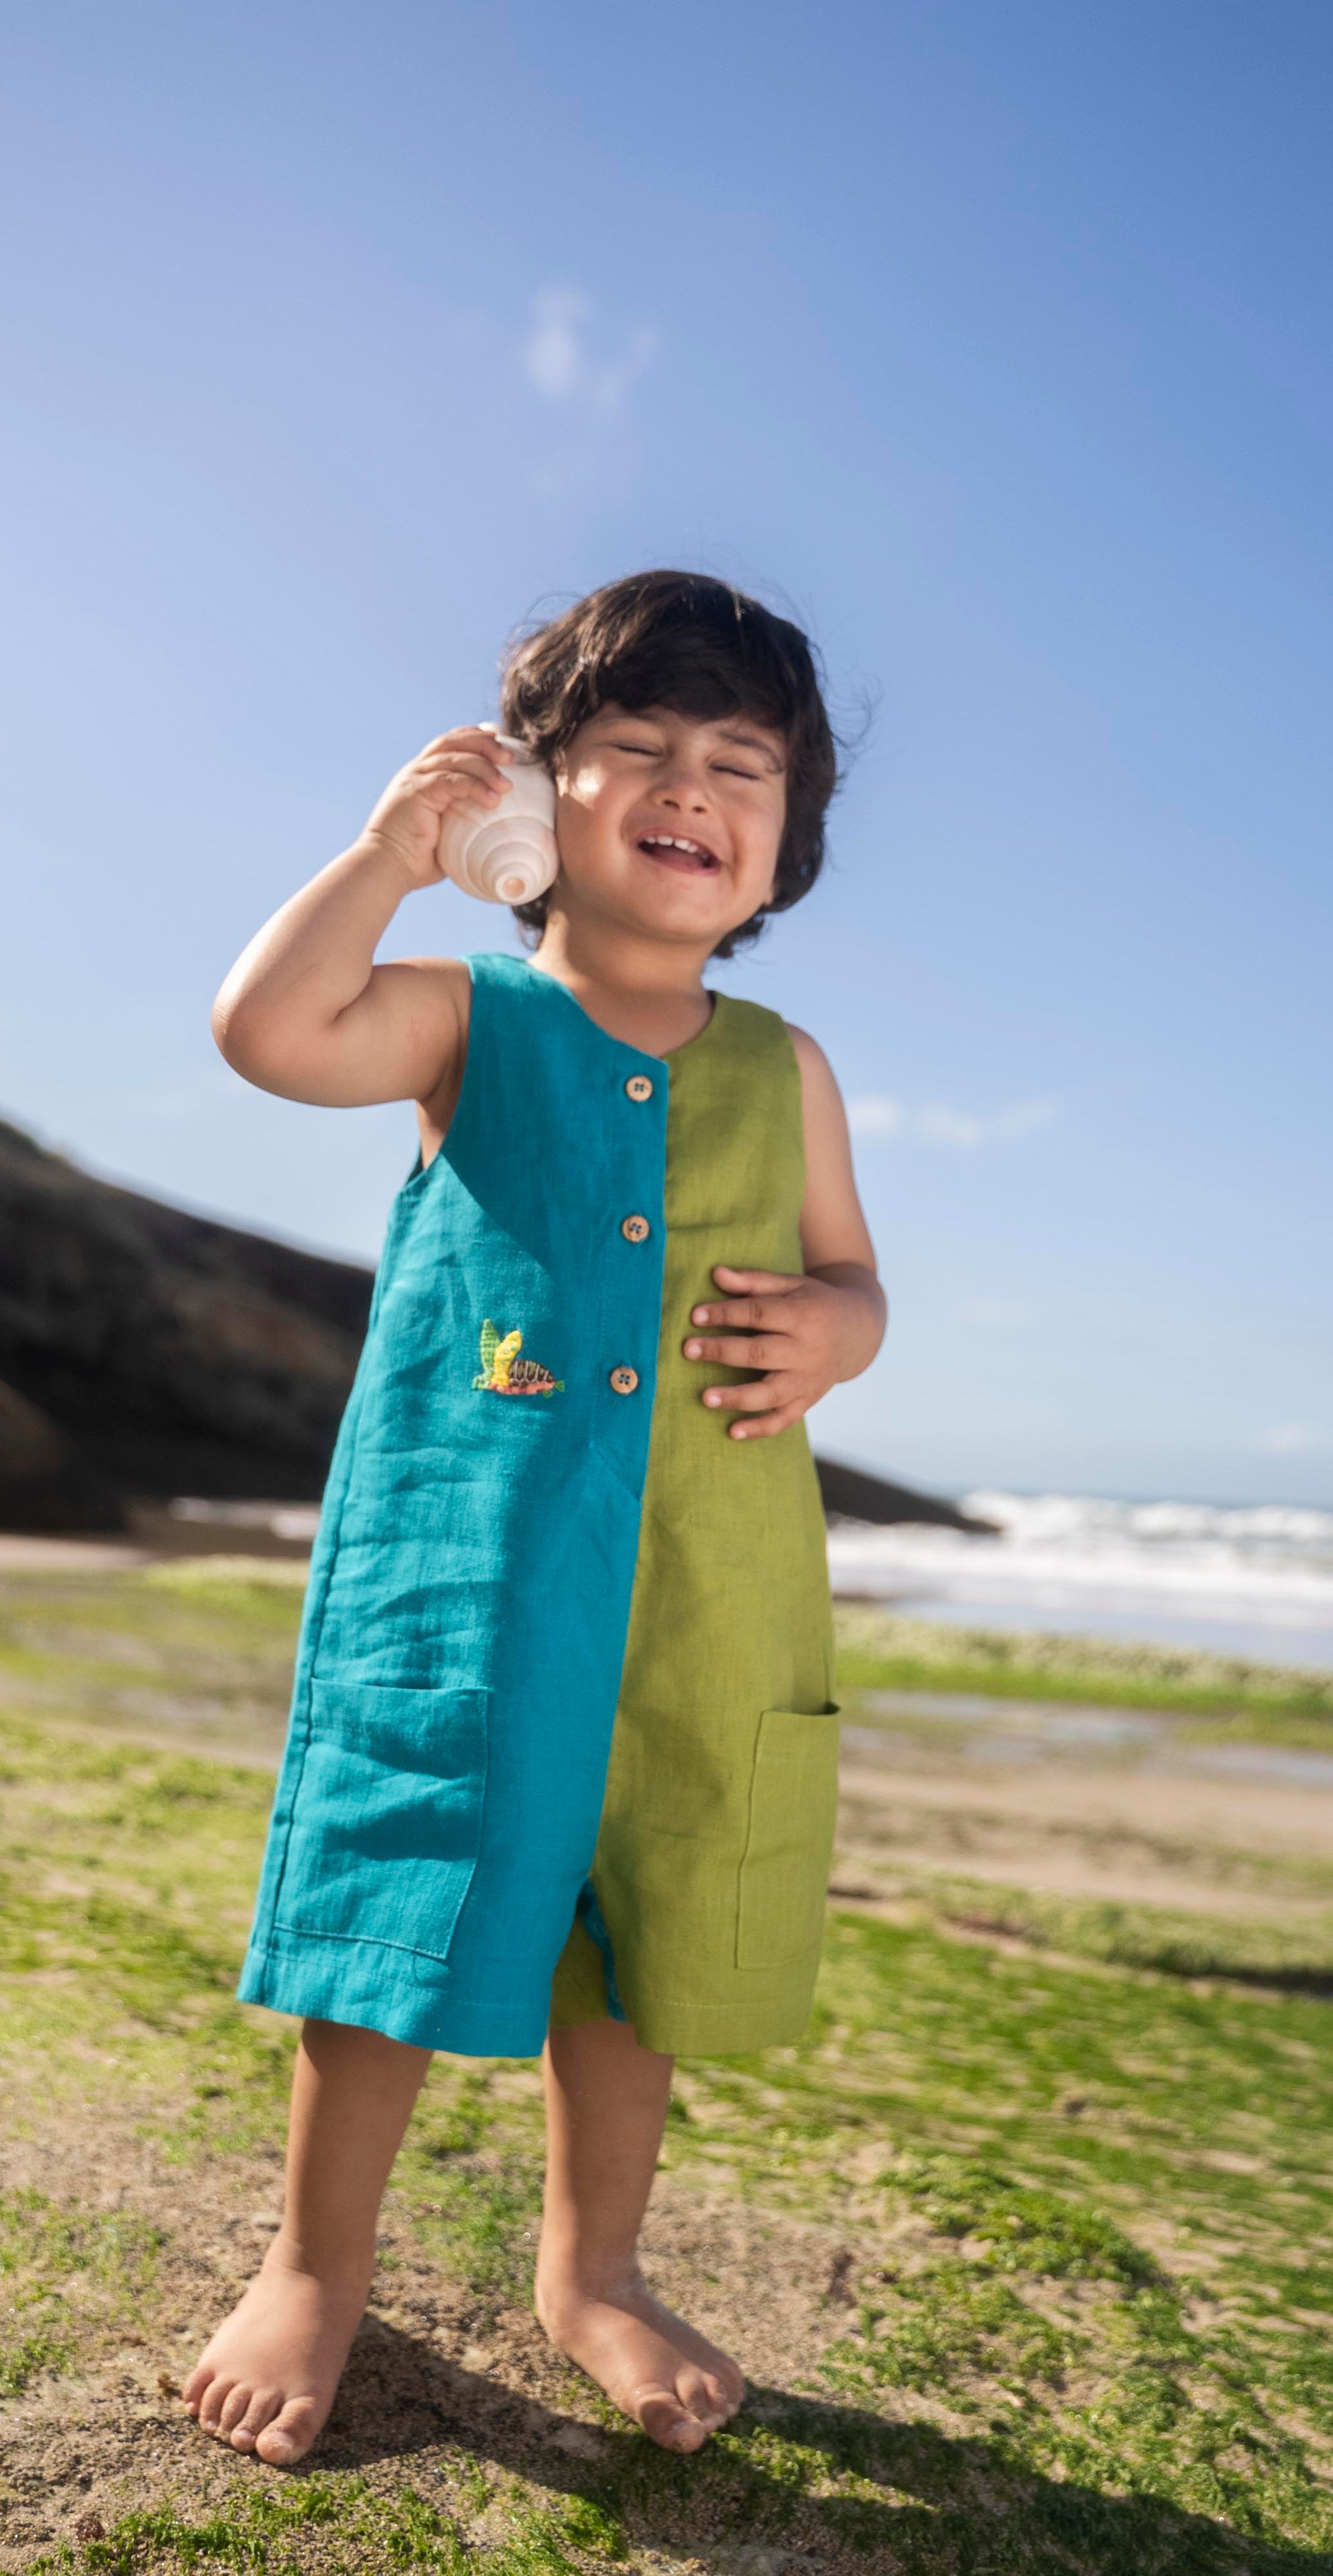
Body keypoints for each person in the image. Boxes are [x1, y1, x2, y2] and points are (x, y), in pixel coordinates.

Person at [184, 569, 885, 2466]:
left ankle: (596, 2270)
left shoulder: (787, 1066)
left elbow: (857, 1284)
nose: (692, 783)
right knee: (403, 1873)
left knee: (644, 1917)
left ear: (781, 847)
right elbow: (271, 1029)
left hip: (709, 1583)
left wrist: (834, 1331)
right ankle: (314, 2268)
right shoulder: (467, 1013)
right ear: (537, 803)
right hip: (472, 1563)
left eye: (740, 765)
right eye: (639, 747)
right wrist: (382, 857)